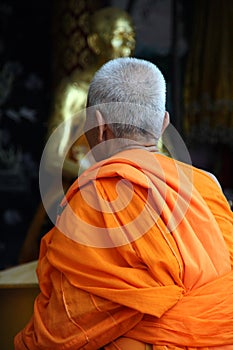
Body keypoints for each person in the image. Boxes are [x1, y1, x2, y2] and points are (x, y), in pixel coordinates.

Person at [15, 58, 233, 349]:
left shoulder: (91, 201)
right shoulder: (207, 186)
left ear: (97, 126)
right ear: (164, 123)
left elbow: (65, 325)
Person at [18, 7, 136, 264]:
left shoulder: (137, 93)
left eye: (131, 34)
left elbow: (157, 152)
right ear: (95, 42)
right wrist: (98, 173)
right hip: (82, 195)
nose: (129, 41)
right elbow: (52, 160)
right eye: (119, 34)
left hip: (131, 196)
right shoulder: (75, 91)